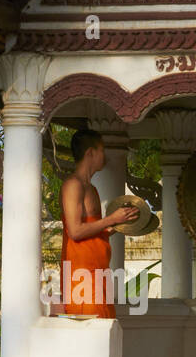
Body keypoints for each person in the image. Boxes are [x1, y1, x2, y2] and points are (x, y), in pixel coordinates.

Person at [59, 128, 138, 318]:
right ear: (90, 153)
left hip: (98, 274)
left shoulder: (91, 188)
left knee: (104, 334)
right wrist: (111, 219)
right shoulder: (73, 185)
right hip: (81, 277)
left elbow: (92, 229)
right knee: (91, 339)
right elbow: (76, 231)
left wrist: (120, 223)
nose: (105, 156)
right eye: (102, 150)